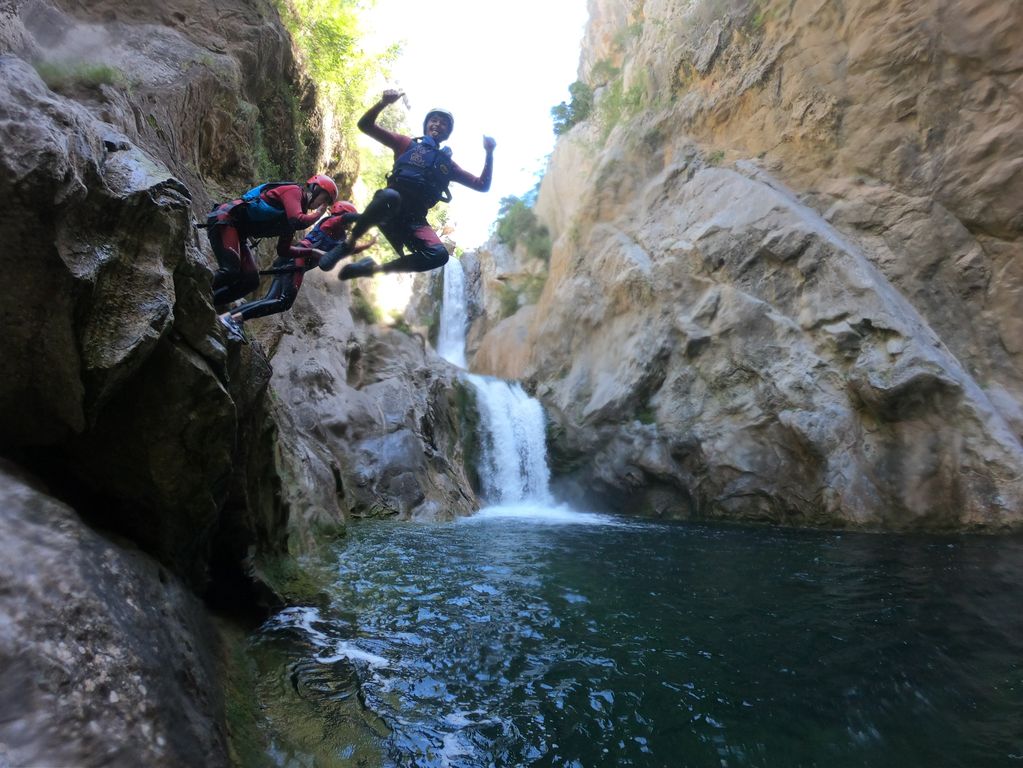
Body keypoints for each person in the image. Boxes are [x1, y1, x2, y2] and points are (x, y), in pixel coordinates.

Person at [318, 90, 496, 280]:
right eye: (434, 120)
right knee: (390, 196)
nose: (438, 124)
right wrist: (382, 103)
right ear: (427, 125)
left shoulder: (449, 166)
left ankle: (371, 270)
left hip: (415, 220)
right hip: (388, 207)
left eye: (443, 123)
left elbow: (482, 185)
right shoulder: (406, 144)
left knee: (440, 255)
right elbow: (365, 125)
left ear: (448, 132)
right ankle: (348, 244)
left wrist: (489, 153)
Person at [217, 200, 376, 342]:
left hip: (292, 262)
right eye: (349, 219)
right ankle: (234, 319)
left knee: (271, 299)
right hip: (296, 261)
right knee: (284, 302)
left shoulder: (339, 236)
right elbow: (345, 219)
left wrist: (367, 245)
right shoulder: (332, 223)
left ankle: (229, 317)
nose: (349, 225)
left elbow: (349, 249)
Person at [207, 174, 338, 307]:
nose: (324, 204)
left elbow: (283, 250)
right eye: (325, 198)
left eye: (327, 201)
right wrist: (318, 215)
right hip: (226, 219)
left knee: (251, 280)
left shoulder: (297, 211)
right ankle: (195, 287)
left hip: (239, 233)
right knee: (230, 270)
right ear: (316, 189)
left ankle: (208, 304)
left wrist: (313, 252)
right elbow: (297, 221)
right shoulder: (294, 192)